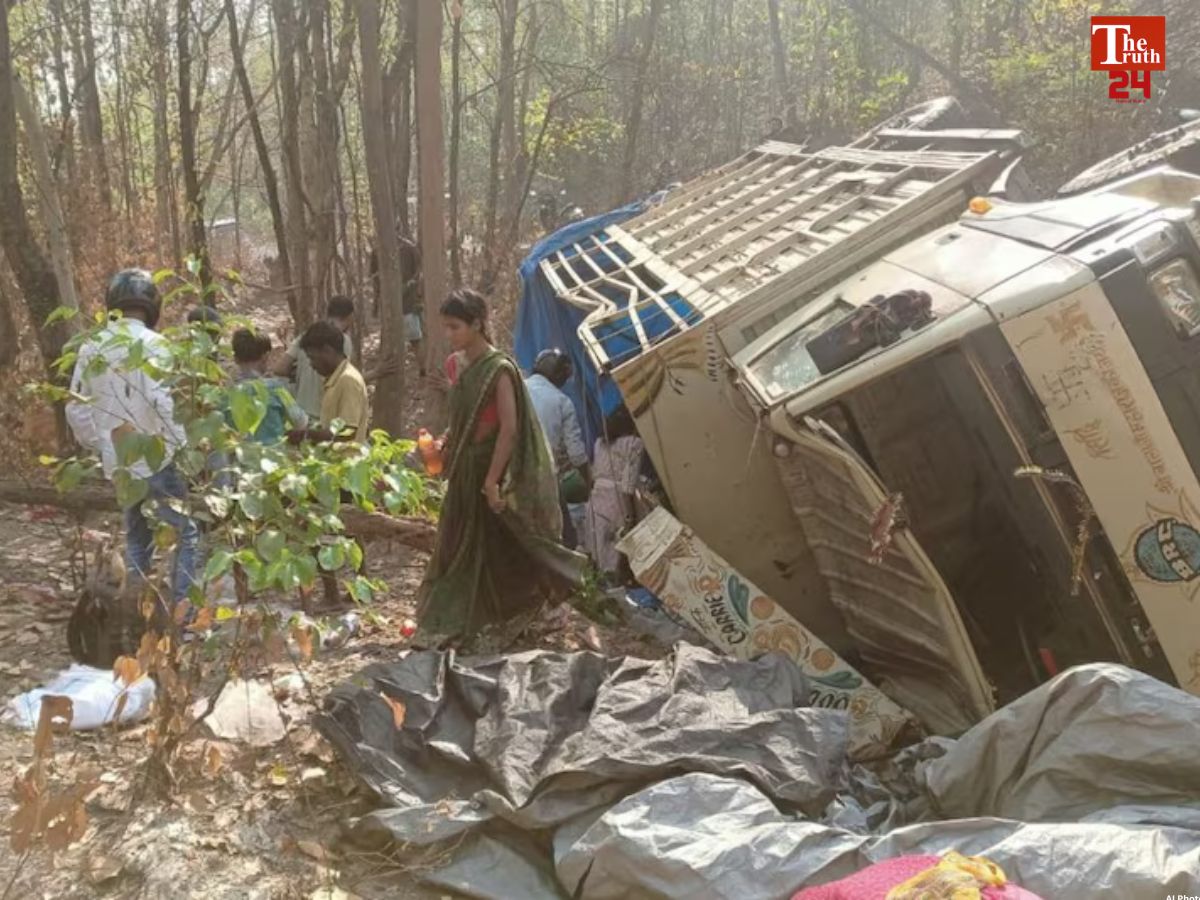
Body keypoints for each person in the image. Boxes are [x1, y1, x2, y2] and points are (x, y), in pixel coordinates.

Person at [416, 289, 583, 645]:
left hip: (490, 472)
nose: (449, 335)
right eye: (445, 327)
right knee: (461, 548)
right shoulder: (464, 368)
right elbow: (465, 420)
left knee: (504, 549)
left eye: (455, 327)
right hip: (465, 470)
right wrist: (444, 444)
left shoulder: (499, 369)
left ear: (477, 324)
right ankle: (464, 617)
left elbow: (508, 428)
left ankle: (530, 610)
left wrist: (492, 482)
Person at [65, 269, 201, 608]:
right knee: (186, 534)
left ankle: (136, 615)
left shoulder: (90, 348)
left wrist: (102, 446)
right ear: (152, 305)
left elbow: (77, 410)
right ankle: (184, 616)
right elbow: (167, 404)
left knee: (138, 538)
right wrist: (181, 450)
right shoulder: (159, 346)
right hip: (160, 458)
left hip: (121, 465)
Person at [525, 348, 590, 549]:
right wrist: (588, 479)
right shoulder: (562, 402)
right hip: (543, 473)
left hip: (511, 470)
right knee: (564, 535)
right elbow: (576, 454)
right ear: (559, 374)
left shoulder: (518, 386)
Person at [581, 406, 646, 579]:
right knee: (612, 561)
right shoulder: (634, 443)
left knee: (596, 557)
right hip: (616, 505)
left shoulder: (599, 442)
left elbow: (594, 474)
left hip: (595, 503)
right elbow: (627, 486)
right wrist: (630, 518)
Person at [274, 295, 355, 420]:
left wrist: (297, 372)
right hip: (325, 413)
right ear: (350, 317)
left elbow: (280, 368)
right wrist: (376, 373)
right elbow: (344, 378)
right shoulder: (344, 341)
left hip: (300, 412)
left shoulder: (306, 336)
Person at [291, 320, 370, 443]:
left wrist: (307, 435)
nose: (311, 365)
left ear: (328, 351)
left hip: (348, 460)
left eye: (313, 358)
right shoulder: (334, 380)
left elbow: (347, 431)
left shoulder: (348, 380)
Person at [228, 329, 308, 444]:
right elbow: (301, 422)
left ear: (235, 358)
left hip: (237, 457)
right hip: (273, 457)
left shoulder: (225, 392)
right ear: (265, 356)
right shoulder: (275, 388)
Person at [370, 235, 425, 376]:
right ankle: (396, 373)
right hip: (390, 305)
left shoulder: (410, 248)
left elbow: (419, 272)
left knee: (415, 341)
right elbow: (375, 278)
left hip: (408, 304)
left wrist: (413, 289)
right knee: (395, 341)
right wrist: (376, 303)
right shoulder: (377, 250)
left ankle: (423, 371)